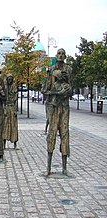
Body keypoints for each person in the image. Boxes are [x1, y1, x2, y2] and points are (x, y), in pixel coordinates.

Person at [42, 48, 72, 176]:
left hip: (64, 106)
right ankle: (48, 168)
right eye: (58, 53)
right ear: (56, 56)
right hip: (53, 106)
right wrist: (57, 92)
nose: (60, 55)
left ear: (65, 56)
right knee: (52, 134)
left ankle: (64, 168)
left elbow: (72, 90)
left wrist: (67, 90)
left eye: (62, 54)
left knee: (65, 133)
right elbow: (45, 90)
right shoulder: (52, 70)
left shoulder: (69, 70)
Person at [3, 74, 18, 149]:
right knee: (5, 126)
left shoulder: (14, 87)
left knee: (14, 126)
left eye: (11, 79)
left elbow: (15, 99)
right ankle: (4, 144)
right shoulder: (4, 87)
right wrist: (4, 110)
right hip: (6, 107)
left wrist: (15, 110)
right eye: (9, 79)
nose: (10, 80)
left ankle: (15, 143)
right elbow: (3, 100)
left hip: (12, 108)